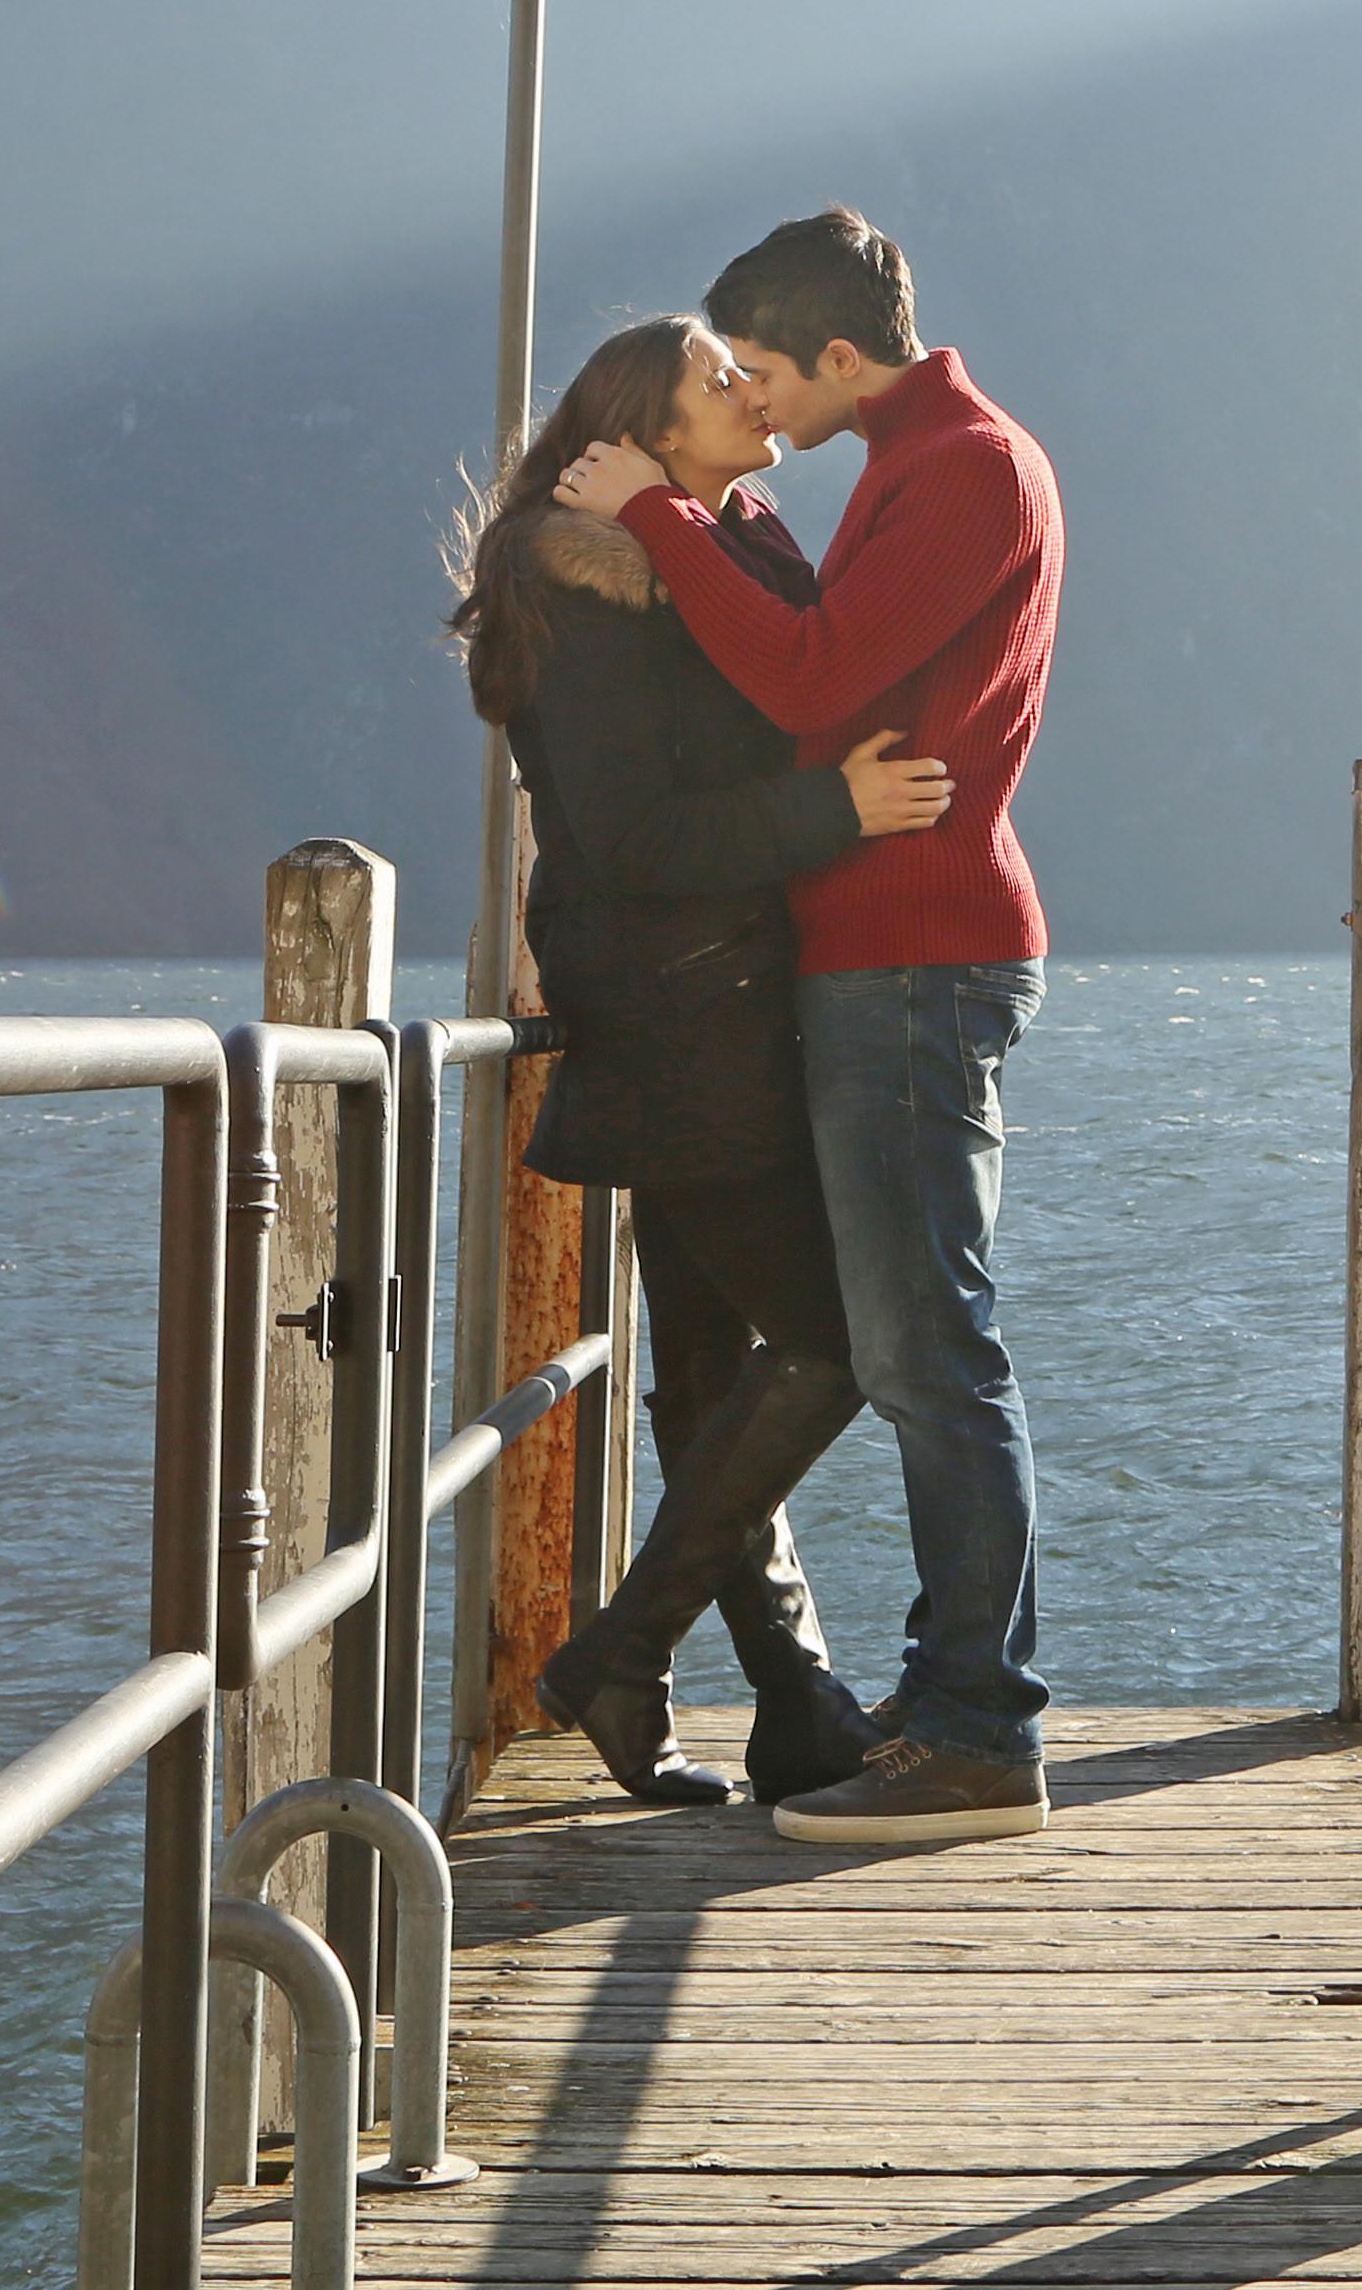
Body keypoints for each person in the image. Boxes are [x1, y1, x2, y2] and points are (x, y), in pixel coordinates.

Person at [555, 208, 1063, 1846]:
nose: (760, 402)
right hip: (874, 953)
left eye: (767, 372)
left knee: (926, 1353)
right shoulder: (912, 467)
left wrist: (657, 514)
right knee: (908, 1349)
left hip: (915, 954)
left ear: (843, 355)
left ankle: (977, 1730)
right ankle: (928, 1698)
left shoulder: (966, 469)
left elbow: (808, 682)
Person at [452, 311, 947, 1805]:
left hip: (720, 1005)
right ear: (653, 434)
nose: (753, 389)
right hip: (682, 1016)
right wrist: (836, 814)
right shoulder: (593, 599)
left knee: (709, 1371)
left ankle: (790, 1703)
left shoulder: (726, 550)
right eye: (720, 379)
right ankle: (624, 1652)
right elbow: (630, 838)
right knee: (840, 1341)